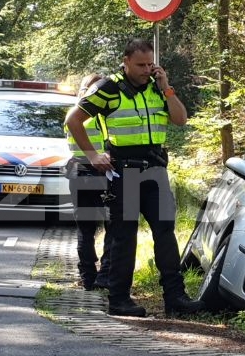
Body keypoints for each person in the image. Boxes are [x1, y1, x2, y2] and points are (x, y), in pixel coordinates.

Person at [63, 39, 202, 318]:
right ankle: (119, 300)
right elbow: (73, 120)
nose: (146, 69)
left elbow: (180, 119)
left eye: (150, 64)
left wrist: (167, 88)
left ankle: (175, 298)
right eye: (140, 65)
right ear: (125, 61)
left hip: (156, 169)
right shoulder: (109, 88)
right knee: (124, 238)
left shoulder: (157, 87)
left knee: (165, 233)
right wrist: (92, 156)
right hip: (124, 170)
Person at [66, 73, 113, 291]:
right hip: (101, 173)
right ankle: (104, 276)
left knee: (85, 230)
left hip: (78, 172)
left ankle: (87, 277)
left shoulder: (72, 113)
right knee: (113, 227)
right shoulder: (99, 116)